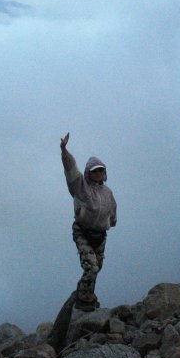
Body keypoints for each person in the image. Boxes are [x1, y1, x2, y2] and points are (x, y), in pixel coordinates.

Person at [60, 132, 117, 311]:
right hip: (82, 232)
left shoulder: (107, 193)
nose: (98, 173)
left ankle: (87, 295)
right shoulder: (81, 188)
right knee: (91, 267)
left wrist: (112, 221)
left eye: (101, 170)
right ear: (89, 173)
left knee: (96, 268)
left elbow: (112, 210)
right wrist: (64, 151)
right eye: (95, 170)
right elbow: (72, 172)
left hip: (100, 235)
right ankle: (83, 300)